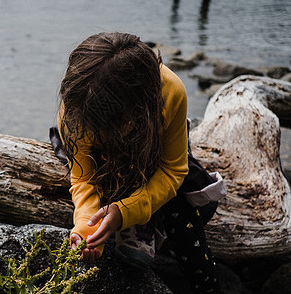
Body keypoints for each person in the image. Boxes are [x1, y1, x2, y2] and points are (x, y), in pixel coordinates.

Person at [57, 32, 220, 293]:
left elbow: (173, 169)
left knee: (185, 219)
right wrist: (88, 226)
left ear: (141, 108)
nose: (99, 133)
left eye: (108, 128)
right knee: (107, 170)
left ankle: (149, 223)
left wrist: (125, 212)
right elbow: (84, 177)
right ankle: (139, 218)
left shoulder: (170, 91)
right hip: (110, 165)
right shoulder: (77, 104)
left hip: (156, 148)